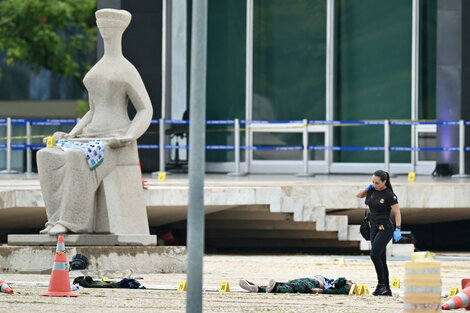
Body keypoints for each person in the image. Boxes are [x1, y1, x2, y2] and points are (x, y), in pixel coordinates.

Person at [37, 9, 152, 235]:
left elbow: (145, 109)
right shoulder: (97, 68)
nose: (104, 30)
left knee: (78, 157)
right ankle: (55, 218)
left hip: (113, 140)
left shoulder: (127, 69)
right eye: (102, 26)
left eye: (109, 27)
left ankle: (72, 222)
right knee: (46, 155)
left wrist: (129, 135)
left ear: (119, 30)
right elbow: (92, 111)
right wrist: (71, 134)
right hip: (89, 136)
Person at [356, 170, 402, 296]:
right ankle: (385, 288)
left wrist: (398, 229)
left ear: (384, 182)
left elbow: (397, 212)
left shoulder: (389, 194)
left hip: (385, 228)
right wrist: (367, 188)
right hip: (373, 227)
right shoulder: (372, 190)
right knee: (381, 258)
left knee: (374, 254)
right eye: (373, 182)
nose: (375, 184)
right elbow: (358, 195)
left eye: (377, 183)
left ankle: (381, 284)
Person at [239, 276, 354, 295]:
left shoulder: (344, 287)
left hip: (313, 283)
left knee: (293, 286)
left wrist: (346, 281)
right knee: (291, 287)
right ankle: (258, 289)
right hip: (311, 283)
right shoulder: (341, 287)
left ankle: (275, 287)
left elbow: (340, 281)